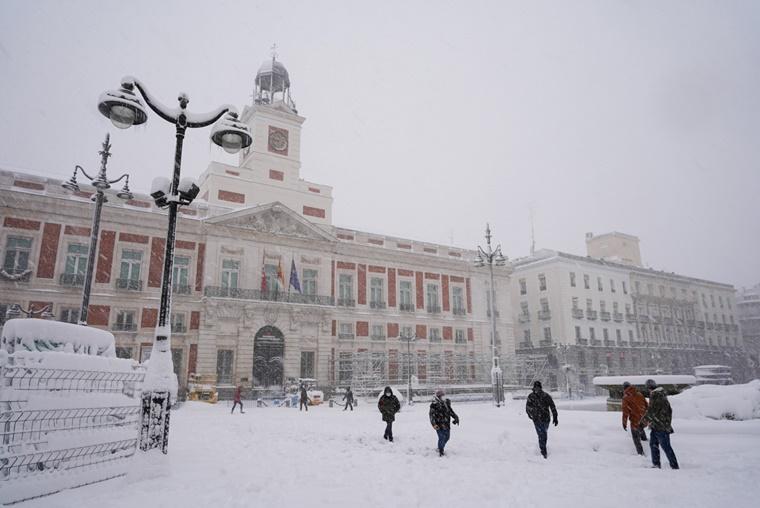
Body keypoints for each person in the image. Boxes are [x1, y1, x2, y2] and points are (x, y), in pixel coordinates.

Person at [641, 379, 679, 469]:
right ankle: (656, 464)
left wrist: (642, 422)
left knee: (666, 447)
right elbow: (668, 411)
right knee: (653, 445)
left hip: (661, 426)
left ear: (649, 387)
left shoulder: (656, 395)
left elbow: (651, 411)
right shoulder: (660, 395)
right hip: (657, 425)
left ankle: (674, 466)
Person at [525, 380, 558, 458]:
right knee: (541, 434)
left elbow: (552, 406)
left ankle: (543, 447)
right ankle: (543, 450)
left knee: (544, 434)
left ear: (540, 388)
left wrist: (555, 417)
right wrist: (530, 414)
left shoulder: (546, 396)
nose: (537, 389)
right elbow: (527, 407)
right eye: (535, 388)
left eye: (538, 387)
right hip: (536, 419)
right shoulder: (531, 396)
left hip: (546, 418)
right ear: (534, 388)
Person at [429, 388, 459, 456]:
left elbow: (451, 411)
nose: (444, 397)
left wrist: (456, 417)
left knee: (447, 437)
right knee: (441, 437)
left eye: (444, 395)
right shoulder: (434, 405)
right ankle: (441, 450)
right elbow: (431, 415)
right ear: (438, 397)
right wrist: (434, 424)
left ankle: (440, 447)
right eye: (442, 396)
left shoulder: (446, 403)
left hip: (446, 424)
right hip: (438, 425)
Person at [621, 381, 648, 455]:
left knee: (636, 438)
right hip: (643, 418)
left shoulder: (626, 397)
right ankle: (646, 442)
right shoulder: (639, 394)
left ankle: (641, 453)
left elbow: (625, 412)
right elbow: (646, 405)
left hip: (635, 420)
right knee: (641, 429)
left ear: (624, 388)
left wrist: (624, 423)